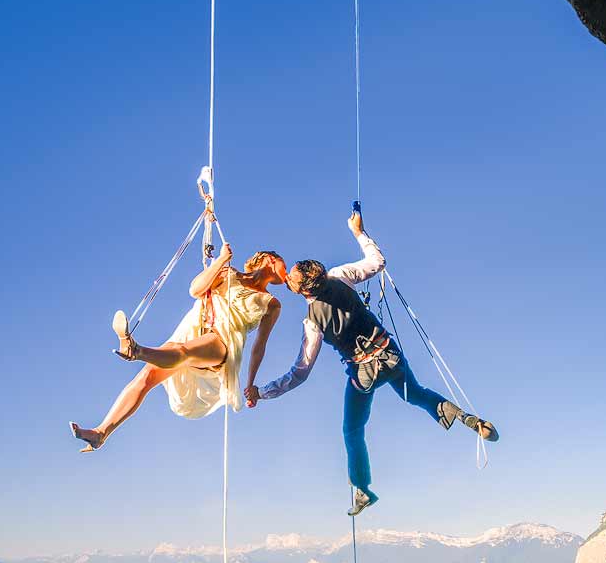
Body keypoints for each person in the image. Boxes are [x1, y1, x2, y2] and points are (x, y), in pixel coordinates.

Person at [244, 210, 495, 514]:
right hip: (390, 355)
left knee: (352, 430)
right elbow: (377, 263)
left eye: (292, 279)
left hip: (362, 373)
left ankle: (362, 489)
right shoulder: (338, 276)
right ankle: (468, 419)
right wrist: (358, 232)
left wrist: (263, 391)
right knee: (416, 395)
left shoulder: (313, 322)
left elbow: (300, 373)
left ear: (303, 290)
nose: (289, 278)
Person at [72, 242, 286, 451]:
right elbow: (195, 290)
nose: (287, 274)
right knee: (146, 377)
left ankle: (136, 351)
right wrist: (220, 260)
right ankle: (101, 433)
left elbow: (260, 345)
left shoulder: (272, 303)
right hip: (195, 329)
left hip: (222, 342)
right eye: (284, 265)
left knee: (183, 353)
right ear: (269, 260)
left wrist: (250, 384)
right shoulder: (229, 273)